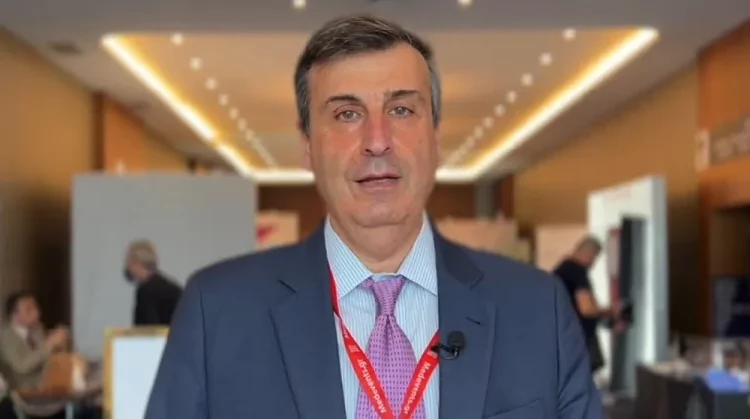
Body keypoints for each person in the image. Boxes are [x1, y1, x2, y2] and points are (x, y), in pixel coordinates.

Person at [146, 14, 601, 419]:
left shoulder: (537, 310)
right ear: (307, 146)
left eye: (401, 110)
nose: (377, 141)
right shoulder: (217, 313)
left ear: (435, 138)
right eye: (347, 114)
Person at [553, 236, 624, 375]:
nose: (593, 263)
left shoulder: (559, 271)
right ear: (588, 254)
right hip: (579, 339)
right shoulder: (577, 272)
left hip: (563, 339)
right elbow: (586, 309)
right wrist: (612, 310)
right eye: (595, 258)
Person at [0, 291, 68, 389]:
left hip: (46, 383)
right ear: (14, 315)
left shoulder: (37, 328)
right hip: (21, 389)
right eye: (29, 309)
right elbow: (22, 366)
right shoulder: (6, 336)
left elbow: (45, 359)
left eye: (36, 307)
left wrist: (60, 346)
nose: (37, 312)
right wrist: (49, 344)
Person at [124, 240, 183, 326]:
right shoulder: (172, 288)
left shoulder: (145, 291)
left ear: (137, 263)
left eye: (128, 262)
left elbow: (148, 329)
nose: (127, 267)